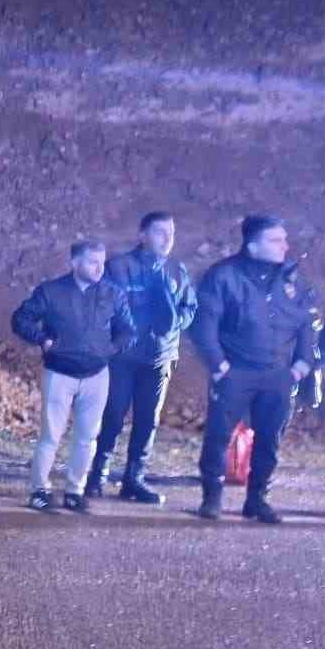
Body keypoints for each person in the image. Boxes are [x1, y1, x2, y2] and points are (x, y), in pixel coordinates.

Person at [190, 214, 317, 523]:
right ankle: (212, 498)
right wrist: (219, 366)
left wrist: (301, 365)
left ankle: (257, 499)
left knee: (269, 439)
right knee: (219, 436)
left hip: (278, 374)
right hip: (236, 372)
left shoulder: (291, 278)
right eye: (276, 240)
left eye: (284, 239)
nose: (285, 246)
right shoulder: (223, 276)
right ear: (253, 245)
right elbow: (204, 324)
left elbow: (307, 322)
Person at [11, 239, 136, 513]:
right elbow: (21, 319)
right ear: (74, 263)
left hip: (97, 375)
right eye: (93, 262)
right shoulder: (51, 291)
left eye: (102, 262)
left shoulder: (113, 294)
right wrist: (42, 339)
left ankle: (74, 491)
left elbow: (128, 330)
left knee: (87, 437)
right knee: (50, 436)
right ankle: (39, 491)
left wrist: (110, 348)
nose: (99, 268)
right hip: (59, 373)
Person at [85, 212, 198, 505]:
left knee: (148, 420)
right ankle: (97, 475)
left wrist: (174, 323)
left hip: (159, 358)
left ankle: (134, 480)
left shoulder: (177, 271)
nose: (168, 239)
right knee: (113, 415)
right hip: (123, 358)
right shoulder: (119, 268)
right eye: (160, 232)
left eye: (171, 233)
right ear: (142, 235)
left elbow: (190, 308)